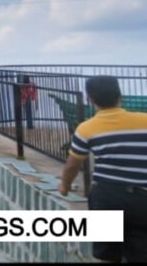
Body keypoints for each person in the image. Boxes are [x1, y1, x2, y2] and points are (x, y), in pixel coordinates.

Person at [58, 75, 147, 262]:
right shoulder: (144, 121)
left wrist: (64, 186)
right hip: (142, 197)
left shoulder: (86, 128)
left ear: (90, 99)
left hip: (107, 197)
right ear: (119, 96)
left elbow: (72, 165)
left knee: (107, 255)